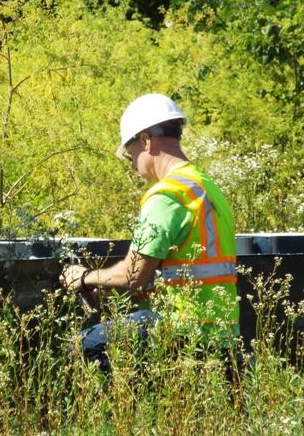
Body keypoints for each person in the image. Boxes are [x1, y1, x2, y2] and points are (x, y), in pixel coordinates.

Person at [61, 93, 238, 367]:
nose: (133, 165)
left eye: (130, 154)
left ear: (146, 140)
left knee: (81, 347)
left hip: (185, 328)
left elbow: (133, 276)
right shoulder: (205, 186)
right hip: (221, 333)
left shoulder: (167, 195)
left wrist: (85, 278)